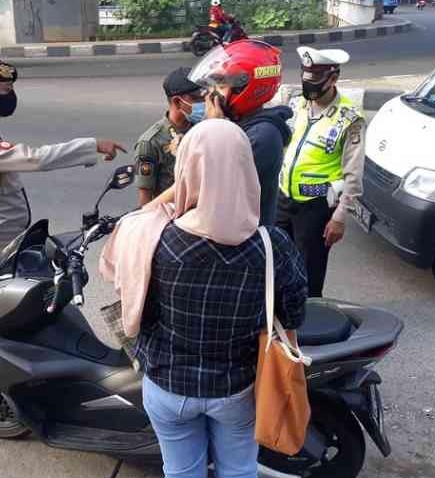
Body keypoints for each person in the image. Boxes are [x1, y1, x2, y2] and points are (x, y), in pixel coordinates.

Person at [100, 119, 307, 478]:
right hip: (236, 390)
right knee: (240, 471)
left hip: (166, 385)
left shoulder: (152, 239)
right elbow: (293, 314)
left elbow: (129, 231)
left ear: (186, 169)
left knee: (181, 472)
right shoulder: (274, 246)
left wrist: (181, 188)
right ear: (246, 168)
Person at [0, 59, 125, 274]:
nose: (11, 95)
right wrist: (92, 145)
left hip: (9, 243)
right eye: (6, 90)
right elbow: (36, 158)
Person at [151, 40, 292, 226]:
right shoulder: (237, 124)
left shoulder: (261, 136)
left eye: (220, 84)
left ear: (246, 88)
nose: (211, 94)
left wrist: (213, 129)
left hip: (243, 243)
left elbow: (203, 187)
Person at [276, 47, 366, 298]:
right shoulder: (298, 104)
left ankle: (309, 325)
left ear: (333, 78)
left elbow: (354, 172)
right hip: (283, 198)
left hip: (315, 206)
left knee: (309, 272)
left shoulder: (349, 119)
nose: (310, 88)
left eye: (316, 82)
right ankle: (279, 317)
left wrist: (340, 215)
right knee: (276, 262)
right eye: (306, 81)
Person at [133, 67, 205, 206]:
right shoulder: (151, 142)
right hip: (172, 218)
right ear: (178, 102)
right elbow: (145, 198)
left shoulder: (203, 128)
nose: (204, 103)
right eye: (197, 99)